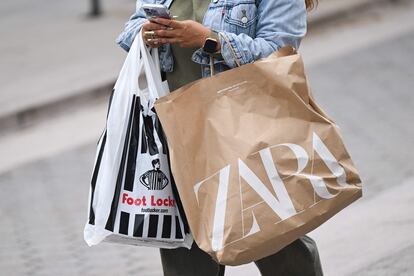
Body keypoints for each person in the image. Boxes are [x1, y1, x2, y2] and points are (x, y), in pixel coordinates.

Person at [117, 0, 323, 275]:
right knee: (187, 255)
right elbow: (132, 28)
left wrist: (210, 40)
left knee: (278, 243)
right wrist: (146, 33)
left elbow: (279, 53)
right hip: (178, 134)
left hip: (246, 131)